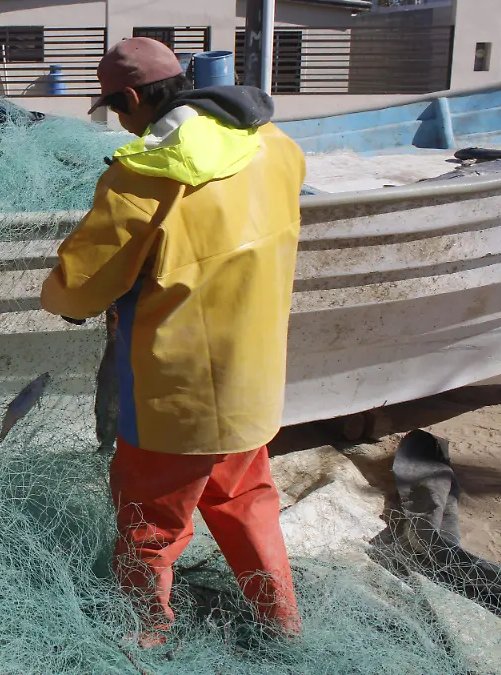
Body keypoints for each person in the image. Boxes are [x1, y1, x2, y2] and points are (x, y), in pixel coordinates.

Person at [41, 37, 306, 644]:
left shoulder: (145, 174)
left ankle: (147, 634)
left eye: (115, 109)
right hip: (252, 385)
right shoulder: (273, 144)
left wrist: (59, 297)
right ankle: (283, 623)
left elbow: (78, 288)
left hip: (173, 401)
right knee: (247, 502)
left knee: (150, 524)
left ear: (132, 100)